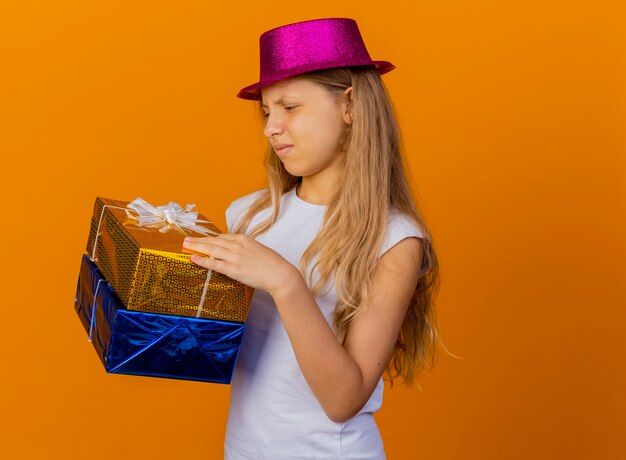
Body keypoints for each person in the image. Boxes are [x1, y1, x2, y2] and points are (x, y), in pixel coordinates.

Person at [182, 17, 441, 460]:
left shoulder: (394, 239)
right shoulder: (250, 216)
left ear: (350, 106)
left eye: (289, 107)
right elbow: (217, 347)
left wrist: (285, 282)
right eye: (266, 111)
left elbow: (344, 400)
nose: (271, 127)